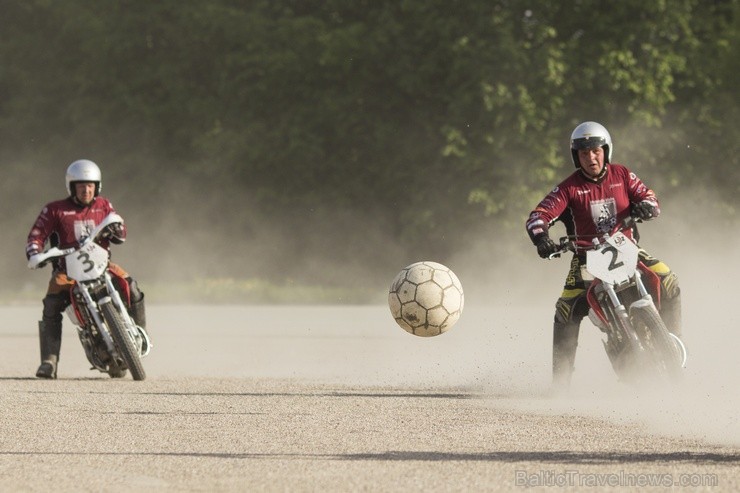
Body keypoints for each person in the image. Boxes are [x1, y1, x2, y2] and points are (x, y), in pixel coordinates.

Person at [525, 121, 682, 389]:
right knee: (565, 310)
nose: (591, 157)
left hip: (627, 247)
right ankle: (560, 384)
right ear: (576, 156)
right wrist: (541, 239)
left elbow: (650, 198)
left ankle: (673, 340)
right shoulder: (567, 189)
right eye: (584, 153)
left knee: (668, 279)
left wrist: (646, 206)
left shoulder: (622, 174)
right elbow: (538, 216)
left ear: (606, 150)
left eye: (595, 151)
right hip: (585, 258)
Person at [26, 159, 147, 379]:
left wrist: (117, 228)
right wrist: (35, 253)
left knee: (131, 286)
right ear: (71, 187)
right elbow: (36, 235)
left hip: (103, 266)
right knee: (51, 304)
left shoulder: (103, 205)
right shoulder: (55, 210)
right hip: (67, 271)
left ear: (97, 186)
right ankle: (49, 361)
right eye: (80, 185)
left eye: (90, 185)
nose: (86, 189)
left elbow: (120, 228)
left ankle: (140, 334)